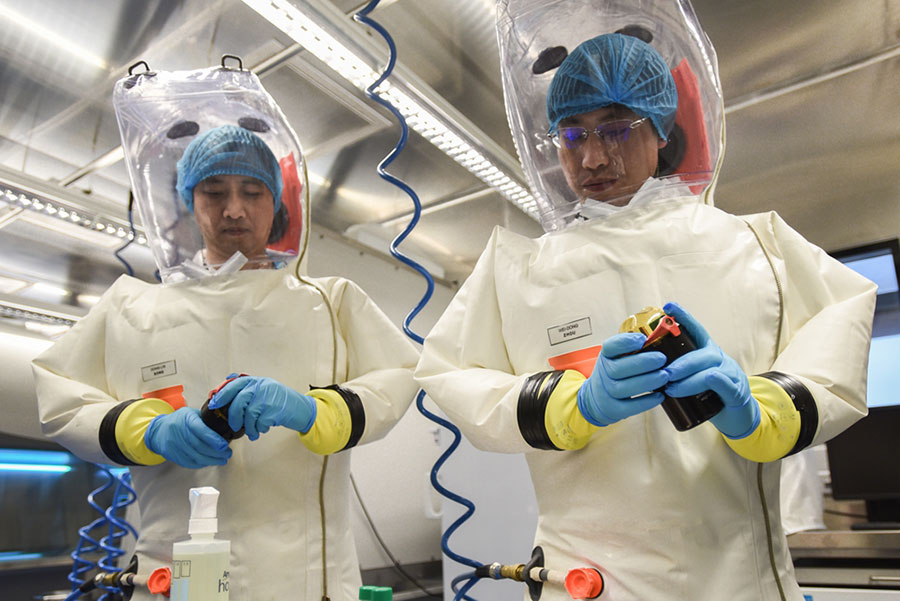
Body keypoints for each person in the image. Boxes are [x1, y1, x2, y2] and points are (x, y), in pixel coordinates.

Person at [415, 3, 876, 600]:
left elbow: (841, 333)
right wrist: (574, 403)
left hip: (738, 581)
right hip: (587, 583)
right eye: (573, 135)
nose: (592, 158)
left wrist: (758, 410)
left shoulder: (754, 245)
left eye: (616, 127)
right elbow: (449, 375)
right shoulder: (518, 271)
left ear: (662, 127)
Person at [33, 66, 419, 600]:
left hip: (309, 583)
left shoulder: (329, 302)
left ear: (277, 205)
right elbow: (58, 399)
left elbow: (401, 378)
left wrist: (316, 411)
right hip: (173, 581)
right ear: (190, 203)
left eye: (252, 191)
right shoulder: (132, 309)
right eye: (214, 191)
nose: (233, 209)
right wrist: (147, 431)